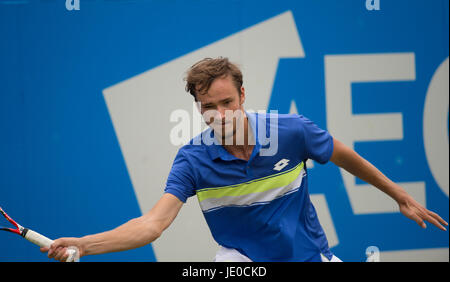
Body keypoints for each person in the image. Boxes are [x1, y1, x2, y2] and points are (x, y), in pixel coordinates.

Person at [42, 57, 448, 262]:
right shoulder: (193, 160)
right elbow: (152, 224)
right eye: (209, 107)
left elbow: (345, 155)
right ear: (199, 108)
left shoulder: (291, 131)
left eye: (227, 102)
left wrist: (400, 195)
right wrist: (84, 244)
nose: (221, 115)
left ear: (243, 96)